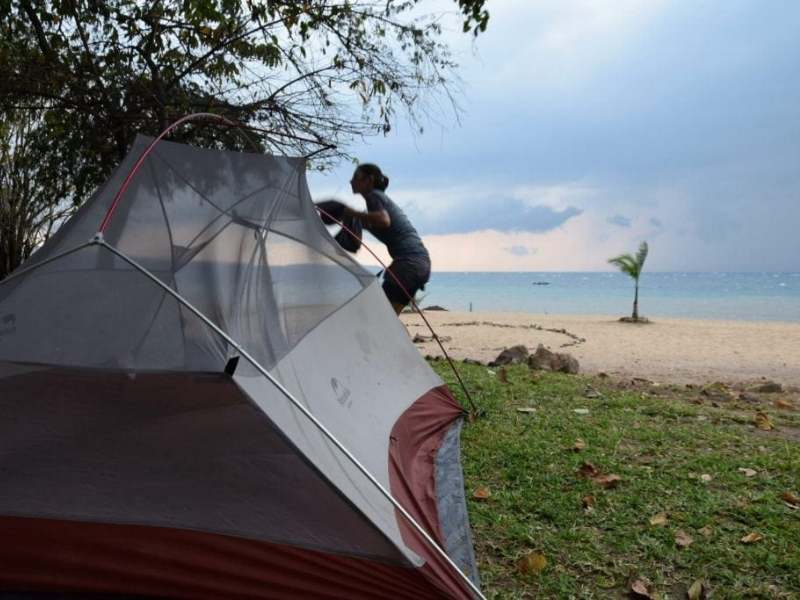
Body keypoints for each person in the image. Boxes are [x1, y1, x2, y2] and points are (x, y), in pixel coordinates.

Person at [344, 163, 431, 315]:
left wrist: (350, 212)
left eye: (356, 177)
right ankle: (400, 339)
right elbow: (354, 244)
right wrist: (348, 218)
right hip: (420, 263)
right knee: (389, 320)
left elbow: (384, 221)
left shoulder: (374, 196)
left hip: (408, 265)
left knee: (381, 319)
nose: (351, 181)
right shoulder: (376, 206)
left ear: (369, 180)